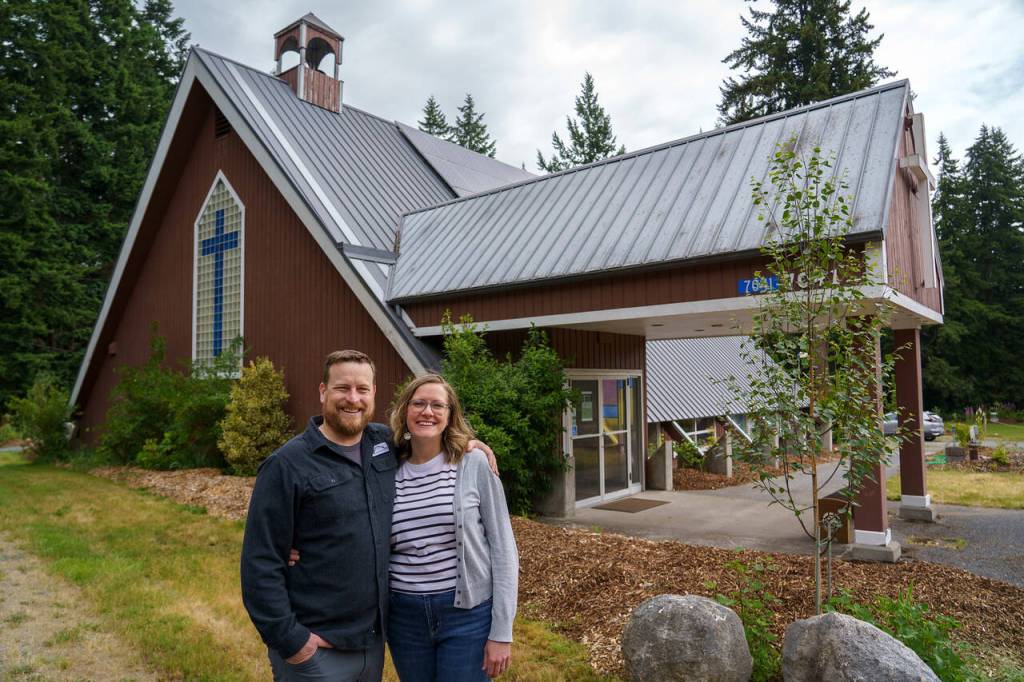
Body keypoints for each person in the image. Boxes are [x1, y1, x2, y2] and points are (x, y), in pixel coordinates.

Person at [240, 351, 494, 681]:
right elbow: (260, 563)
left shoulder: (384, 446)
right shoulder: (287, 465)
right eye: (342, 388)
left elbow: (428, 437)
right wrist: (293, 642)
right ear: (322, 391)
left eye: (362, 389)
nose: (353, 399)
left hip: (372, 645)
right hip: (315, 649)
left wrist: (470, 443)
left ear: (373, 394)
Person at [385, 374, 518, 681]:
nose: (427, 411)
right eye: (418, 403)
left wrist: (502, 630)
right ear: (405, 411)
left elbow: (503, 548)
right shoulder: (385, 468)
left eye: (437, 405)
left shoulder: (473, 463)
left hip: (467, 615)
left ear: (450, 415)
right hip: (404, 618)